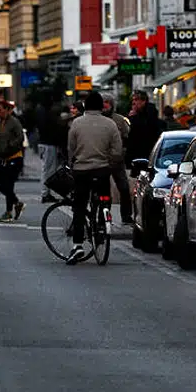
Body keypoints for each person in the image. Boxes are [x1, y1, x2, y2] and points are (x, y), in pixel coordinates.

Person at [65, 91, 123, 264]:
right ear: (100, 106)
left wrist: (72, 163)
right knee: (103, 199)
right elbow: (117, 151)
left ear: (85, 106)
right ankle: (103, 220)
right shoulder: (111, 124)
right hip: (102, 170)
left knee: (80, 207)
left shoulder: (76, 123)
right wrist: (109, 163)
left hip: (82, 171)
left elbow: (71, 148)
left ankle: (77, 245)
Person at [101, 96, 133, 224]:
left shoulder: (119, 120)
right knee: (103, 191)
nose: (105, 105)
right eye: (103, 103)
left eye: (108, 103)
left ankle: (126, 215)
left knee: (124, 188)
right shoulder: (97, 120)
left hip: (117, 160)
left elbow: (127, 135)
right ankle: (103, 216)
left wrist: (122, 151)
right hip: (102, 160)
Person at [0, 100, 27, 222]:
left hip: (14, 158)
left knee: (8, 185)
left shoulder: (14, 122)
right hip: (3, 158)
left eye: (0, 110)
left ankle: (8, 212)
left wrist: (10, 146)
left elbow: (20, 138)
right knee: (0, 184)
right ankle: (17, 204)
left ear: (8, 110)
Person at [127, 91, 162, 164]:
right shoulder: (135, 114)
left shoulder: (149, 114)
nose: (134, 102)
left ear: (143, 101)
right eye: (133, 100)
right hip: (136, 154)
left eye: (136, 100)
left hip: (147, 153)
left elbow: (142, 130)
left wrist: (134, 118)